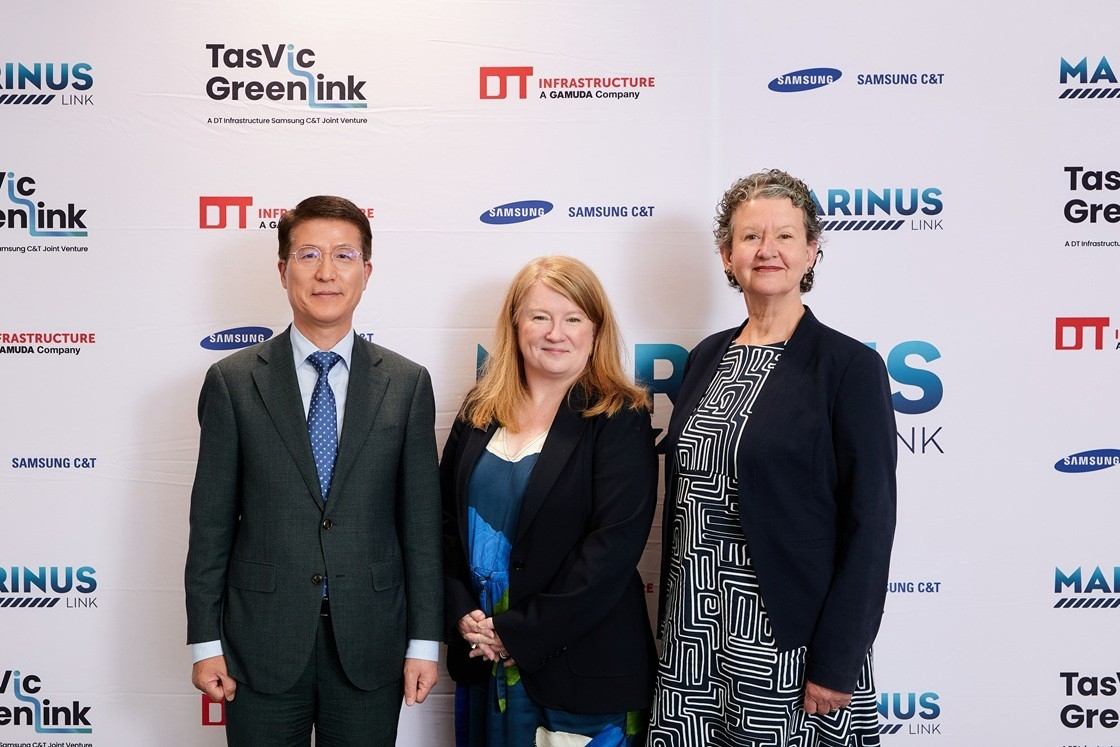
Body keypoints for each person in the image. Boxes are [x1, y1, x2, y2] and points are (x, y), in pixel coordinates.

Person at [648, 169, 897, 746]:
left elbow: (871, 524)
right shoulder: (706, 357)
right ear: (727, 255)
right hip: (692, 633)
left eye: (785, 236)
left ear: (811, 251)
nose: (767, 251)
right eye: (750, 237)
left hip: (787, 641)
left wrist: (837, 661)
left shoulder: (849, 369)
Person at [184, 195, 443, 746]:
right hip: (261, 640)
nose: (327, 272)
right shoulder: (232, 382)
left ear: (366, 272)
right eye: (308, 255)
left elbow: (421, 527)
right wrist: (205, 641)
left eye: (344, 256)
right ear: (283, 270)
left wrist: (424, 642)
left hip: (371, 641)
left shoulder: (407, 384)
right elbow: (209, 523)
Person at [441, 255, 658, 746]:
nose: (555, 332)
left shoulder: (620, 416)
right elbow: (442, 523)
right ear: (515, 325)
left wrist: (516, 632)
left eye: (573, 318)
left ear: (596, 330)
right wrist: (461, 612)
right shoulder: (479, 410)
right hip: (483, 660)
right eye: (540, 316)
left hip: (578, 671)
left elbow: (612, 549)